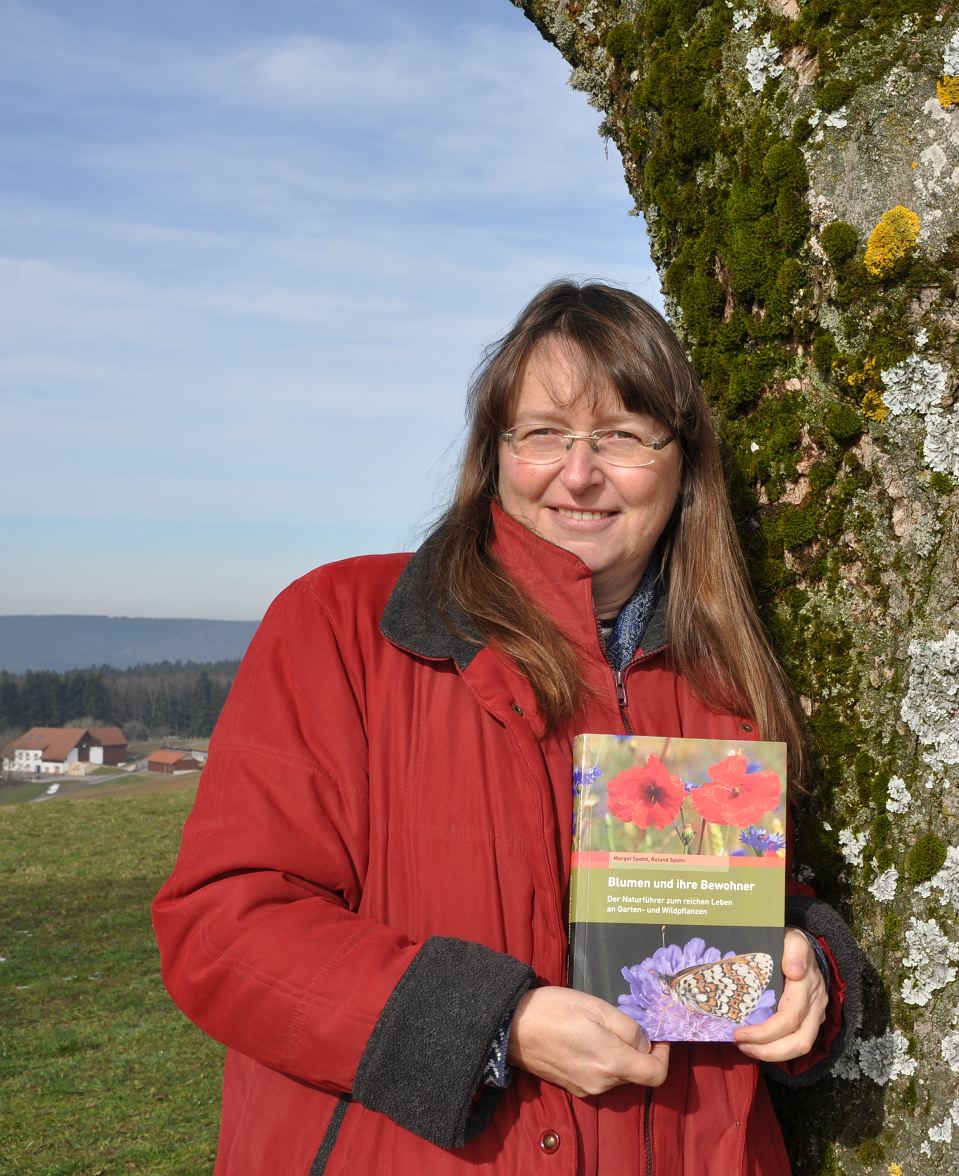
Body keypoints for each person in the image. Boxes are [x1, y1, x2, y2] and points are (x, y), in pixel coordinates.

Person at [153, 281, 860, 1174]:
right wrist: (502, 1024)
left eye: (622, 436)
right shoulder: (341, 626)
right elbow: (224, 927)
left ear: (682, 463)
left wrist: (810, 981)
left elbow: (763, 906)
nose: (579, 472)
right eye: (543, 433)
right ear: (495, 454)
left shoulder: (728, 677)